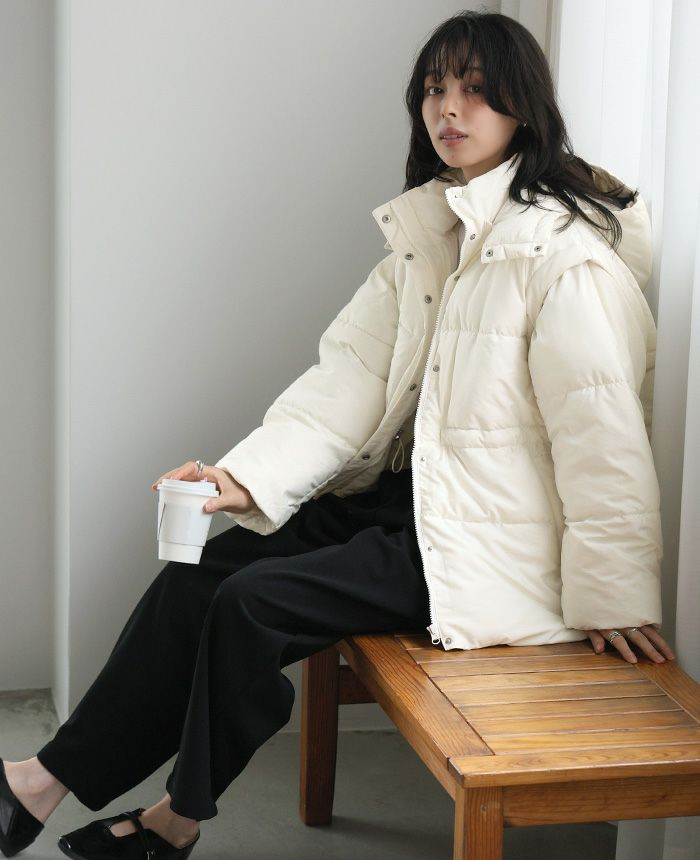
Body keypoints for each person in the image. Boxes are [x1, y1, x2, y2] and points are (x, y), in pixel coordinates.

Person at [0, 10, 677, 860]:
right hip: (408, 502)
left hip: (480, 543)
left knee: (251, 606)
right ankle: (39, 781)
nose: (449, 109)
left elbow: (601, 432)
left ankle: (175, 823)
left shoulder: (564, 258)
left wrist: (615, 594)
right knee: (196, 578)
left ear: (524, 107)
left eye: (474, 90)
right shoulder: (433, 236)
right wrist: (242, 480)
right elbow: (345, 384)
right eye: (434, 89)